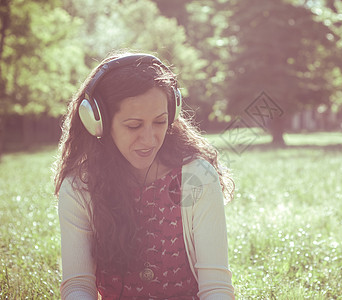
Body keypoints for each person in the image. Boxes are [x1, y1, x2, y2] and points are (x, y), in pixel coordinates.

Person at [54, 51, 235, 300]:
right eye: (133, 125)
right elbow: (78, 286)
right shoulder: (79, 187)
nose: (149, 139)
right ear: (99, 123)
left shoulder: (198, 177)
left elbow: (216, 288)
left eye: (160, 122)